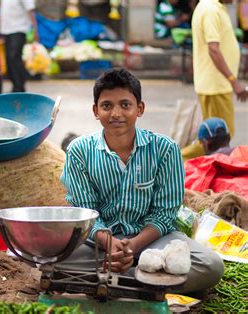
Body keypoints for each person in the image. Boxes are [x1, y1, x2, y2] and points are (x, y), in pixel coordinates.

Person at [58, 68, 224, 293]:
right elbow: (85, 211)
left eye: (125, 105)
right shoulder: (79, 151)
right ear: (96, 111)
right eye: (107, 106)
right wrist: (108, 243)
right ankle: (147, 281)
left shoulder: (165, 149)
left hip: (151, 240)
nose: (116, 113)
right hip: (97, 242)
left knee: (210, 266)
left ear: (140, 109)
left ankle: (109, 283)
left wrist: (132, 247)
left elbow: (164, 214)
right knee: (48, 259)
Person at [182, 0, 248, 160]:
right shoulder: (210, 10)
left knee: (216, 137)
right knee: (218, 137)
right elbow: (213, 49)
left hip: (216, 84)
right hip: (216, 84)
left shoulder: (213, 7)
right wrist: (233, 81)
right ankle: (174, 158)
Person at [0, 0, 39, 93]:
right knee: (9, 59)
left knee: (14, 58)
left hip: (19, 30)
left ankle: (19, 86)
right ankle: (15, 85)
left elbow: (31, 11)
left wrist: (35, 31)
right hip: (6, 30)